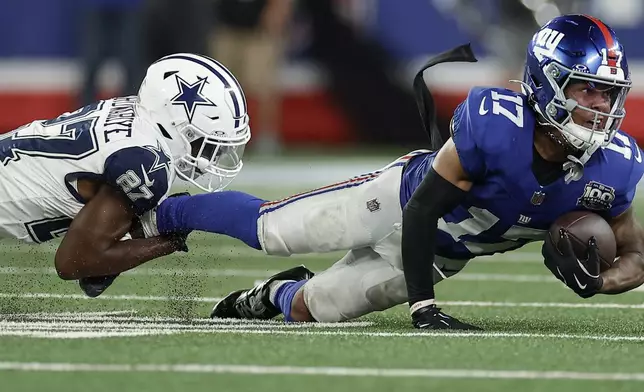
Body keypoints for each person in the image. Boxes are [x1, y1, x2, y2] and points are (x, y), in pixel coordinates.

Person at [152, 14, 644, 329]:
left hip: (440, 255)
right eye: (587, 90)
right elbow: (425, 207)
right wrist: (422, 307)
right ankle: (162, 212)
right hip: (395, 202)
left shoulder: (615, 166)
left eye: (609, 93)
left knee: (312, 308)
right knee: (271, 230)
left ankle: (270, 294)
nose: (601, 107)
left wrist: (599, 282)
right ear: (547, 83)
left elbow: (636, 254)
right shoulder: (496, 125)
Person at [0, 53, 250, 298]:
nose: (211, 158)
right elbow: (73, 263)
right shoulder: (146, 163)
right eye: (205, 144)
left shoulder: (134, 114)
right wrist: (169, 242)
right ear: (175, 123)